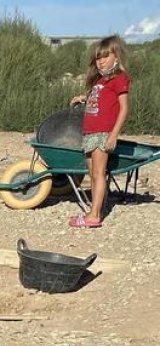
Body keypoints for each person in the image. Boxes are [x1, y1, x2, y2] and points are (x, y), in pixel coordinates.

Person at [68, 36, 130, 229]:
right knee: (92, 174)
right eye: (98, 58)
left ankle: (94, 216)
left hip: (103, 133)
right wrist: (83, 98)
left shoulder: (119, 79)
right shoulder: (100, 80)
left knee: (98, 173)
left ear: (116, 57)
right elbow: (98, 99)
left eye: (105, 56)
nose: (101, 61)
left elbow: (124, 109)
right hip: (90, 132)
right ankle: (94, 211)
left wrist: (113, 135)